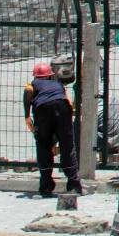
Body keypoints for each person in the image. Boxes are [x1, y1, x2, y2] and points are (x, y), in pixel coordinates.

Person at [22, 60, 81, 197]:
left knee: (44, 145)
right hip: (63, 107)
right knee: (67, 146)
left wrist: (27, 117)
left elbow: (27, 92)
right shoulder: (57, 84)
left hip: (43, 109)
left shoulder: (32, 84)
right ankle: (74, 185)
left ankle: (46, 187)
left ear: (35, 75)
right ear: (49, 75)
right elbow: (67, 102)